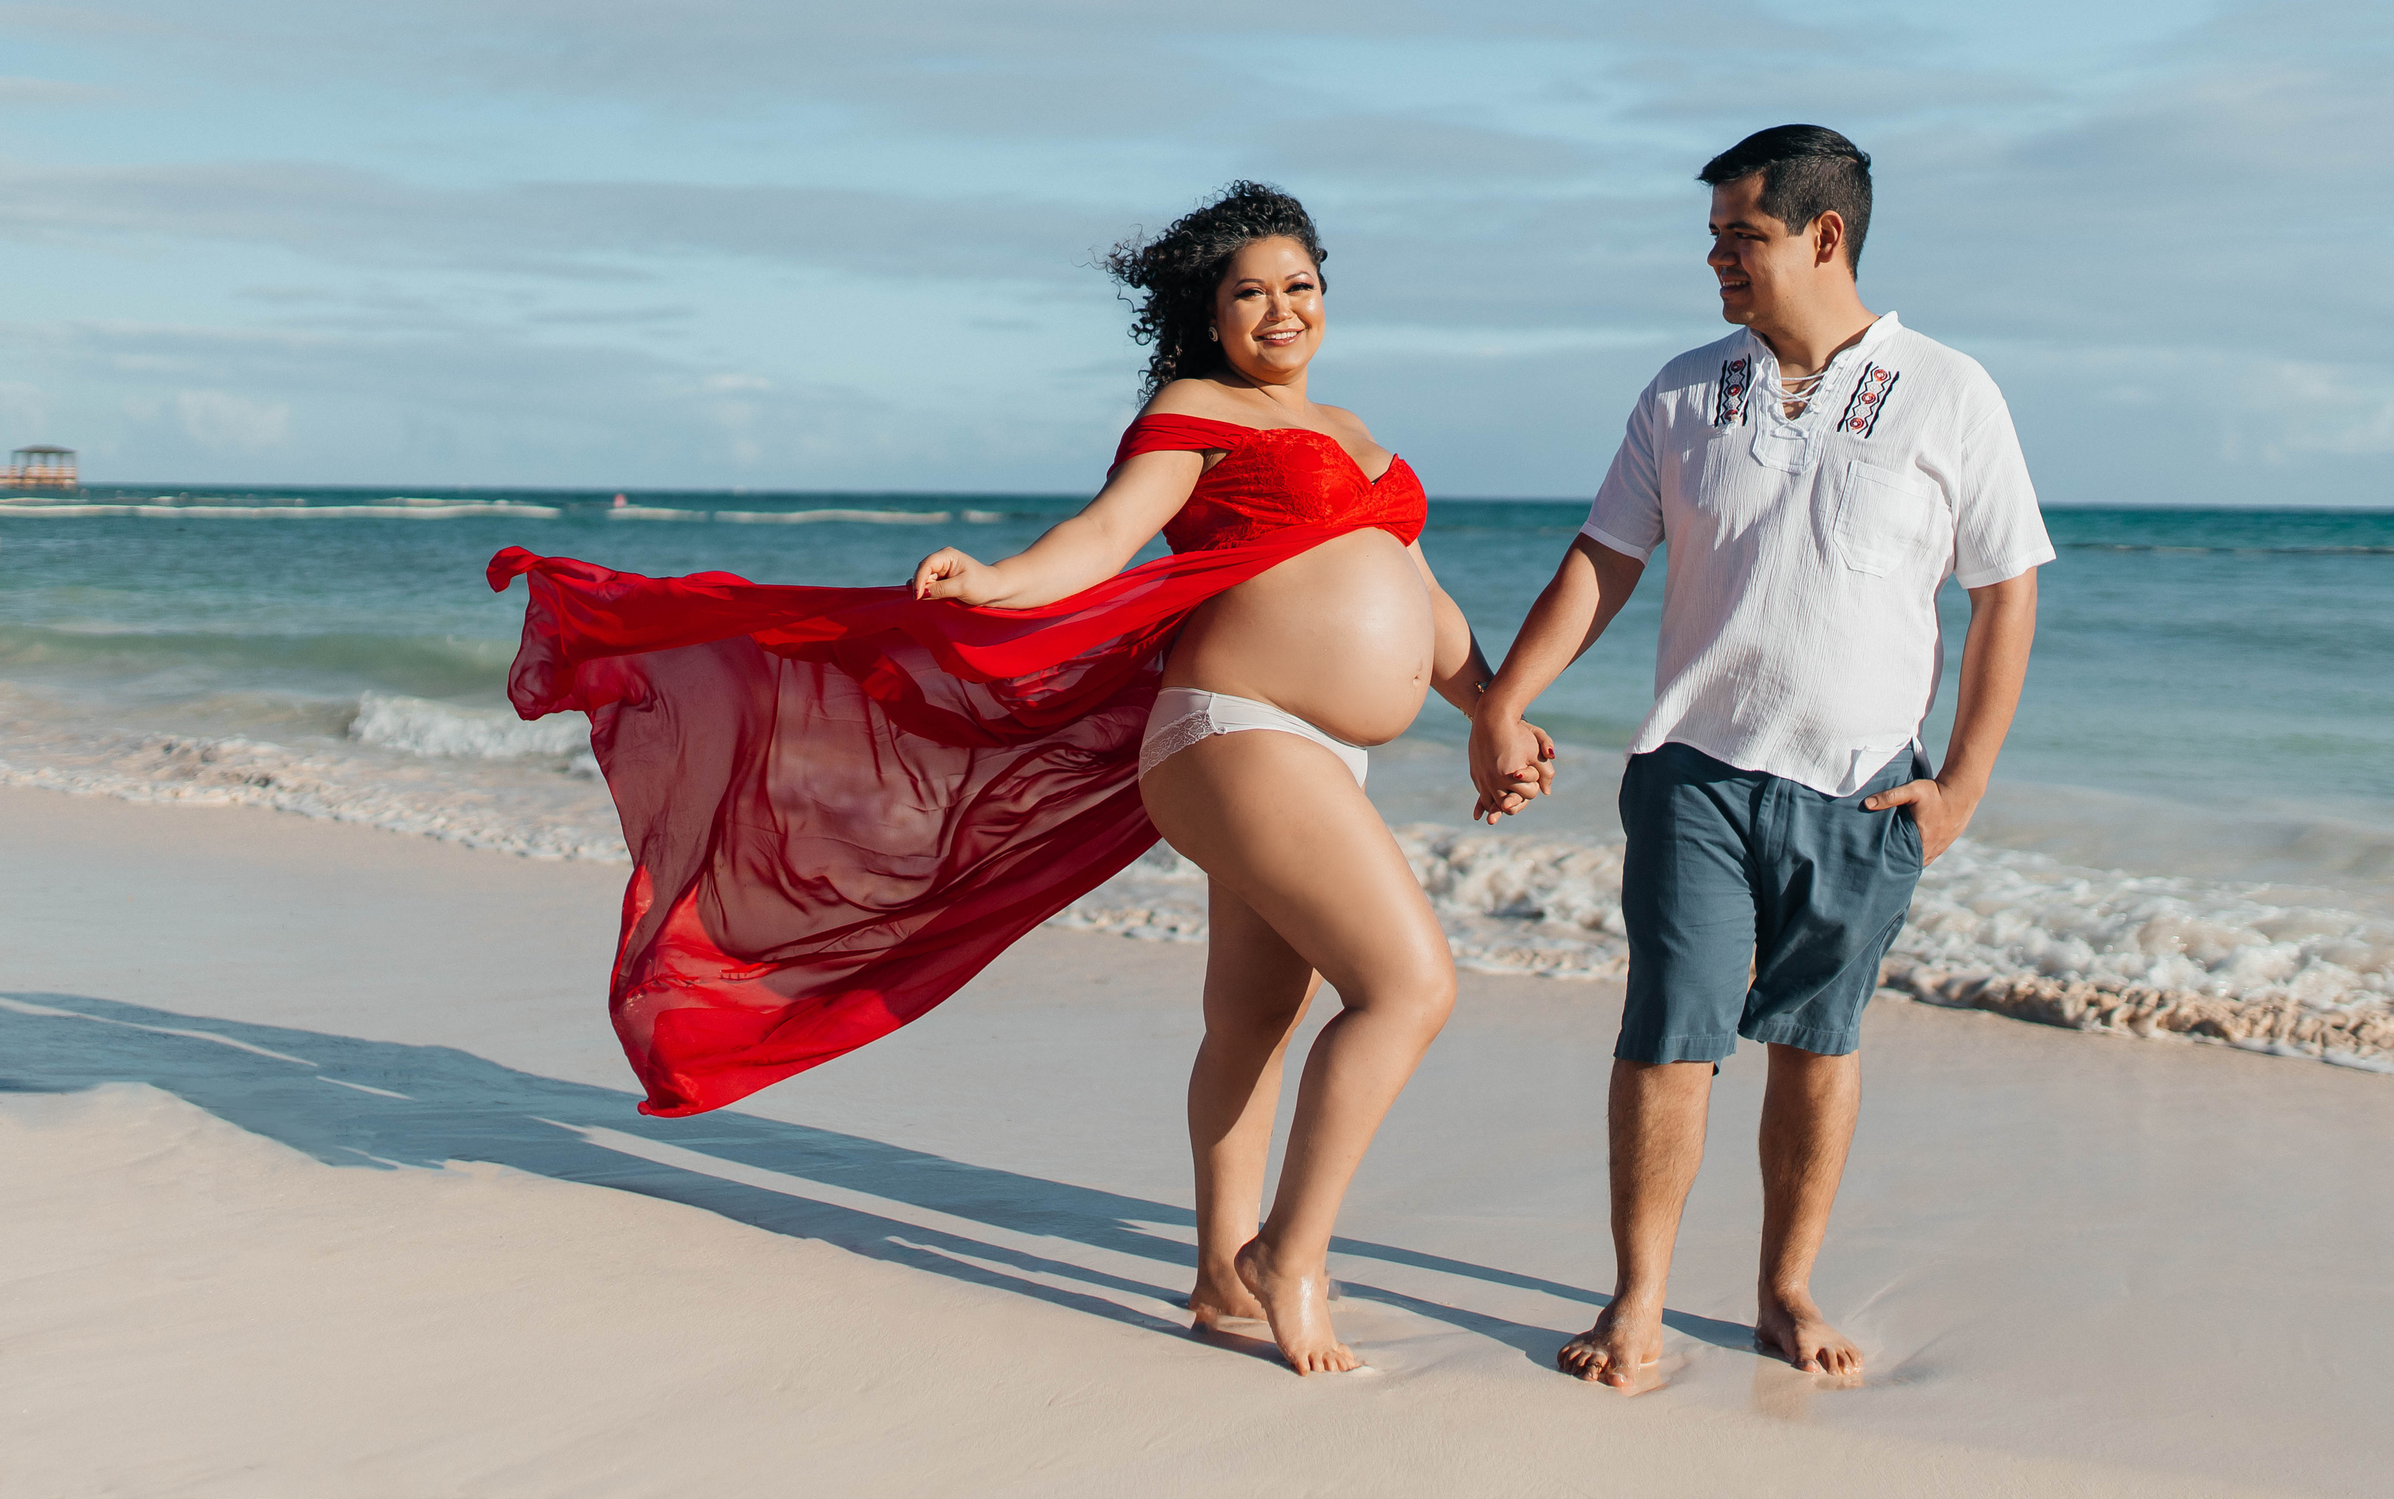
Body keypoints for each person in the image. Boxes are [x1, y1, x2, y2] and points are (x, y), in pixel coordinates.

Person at [490, 182, 1547, 1377]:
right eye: (1248, 292)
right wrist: (998, 583)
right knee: (1409, 986)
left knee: (1256, 1016)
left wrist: (1491, 709)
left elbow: (1423, 597)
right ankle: (1285, 1257)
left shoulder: (1360, 431)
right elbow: (1105, 536)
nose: (1279, 309)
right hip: (1235, 727)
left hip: (1315, 752)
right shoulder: (1195, 407)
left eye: (1298, 285)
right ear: (1207, 315)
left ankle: (1214, 1272)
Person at [1468, 126, 2052, 1389]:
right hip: (1695, 771)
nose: (1717, 260)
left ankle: (1785, 1288)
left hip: (1862, 785)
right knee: (1668, 1030)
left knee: (1817, 1038)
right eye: (1717, 237)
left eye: (1743, 236)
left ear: (1823, 236)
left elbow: (2006, 592)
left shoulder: (1951, 392)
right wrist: (1502, 700)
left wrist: (1961, 786)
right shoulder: (1682, 390)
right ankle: (1637, 1300)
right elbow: (1603, 561)